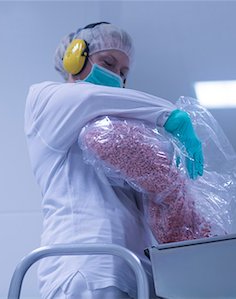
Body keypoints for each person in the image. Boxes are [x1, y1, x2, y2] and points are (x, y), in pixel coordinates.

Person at [24, 22, 204, 299]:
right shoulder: (46, 101)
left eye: (123, 72)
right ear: (75, 57)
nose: (116, 77)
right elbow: (89, 98)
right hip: (85, 265)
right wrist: (170, 116)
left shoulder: (114, 127)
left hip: (131, 270)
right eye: (107, 63)